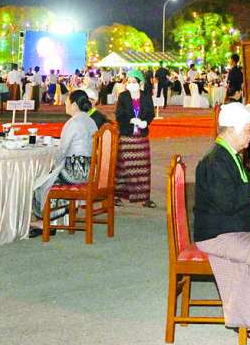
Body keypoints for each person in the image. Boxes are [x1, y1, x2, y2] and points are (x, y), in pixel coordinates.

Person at [194, 102, 250, 332]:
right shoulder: (216, 161)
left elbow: (239, 193)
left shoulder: (228, 155)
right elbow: (229, 202)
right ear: (232, 129)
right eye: (248, 129)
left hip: (227, 226)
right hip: (216, 234)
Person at [29, 89, 99, 236]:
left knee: (42, 181)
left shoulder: (73, 123)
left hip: (76, 171)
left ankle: (44, 221)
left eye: (67, 102)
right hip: (91, 169)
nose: (65, 105)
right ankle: (53, 221)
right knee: (51, 177)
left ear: (74, 104)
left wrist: (53, 166)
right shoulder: (91, 121)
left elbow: (62, 151)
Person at [115, 71, 156, 207]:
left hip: (141, 138)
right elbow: (119, 115)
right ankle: (118, 195)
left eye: (134, 82)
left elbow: (150, 113)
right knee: (123, 168)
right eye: (129, 82)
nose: (131, 84)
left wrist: (145, 122)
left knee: (143, 168)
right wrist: (130, 120)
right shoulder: (123, 97)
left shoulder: (146, 97)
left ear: (140, 83)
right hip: (127, 136)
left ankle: (144, 198)